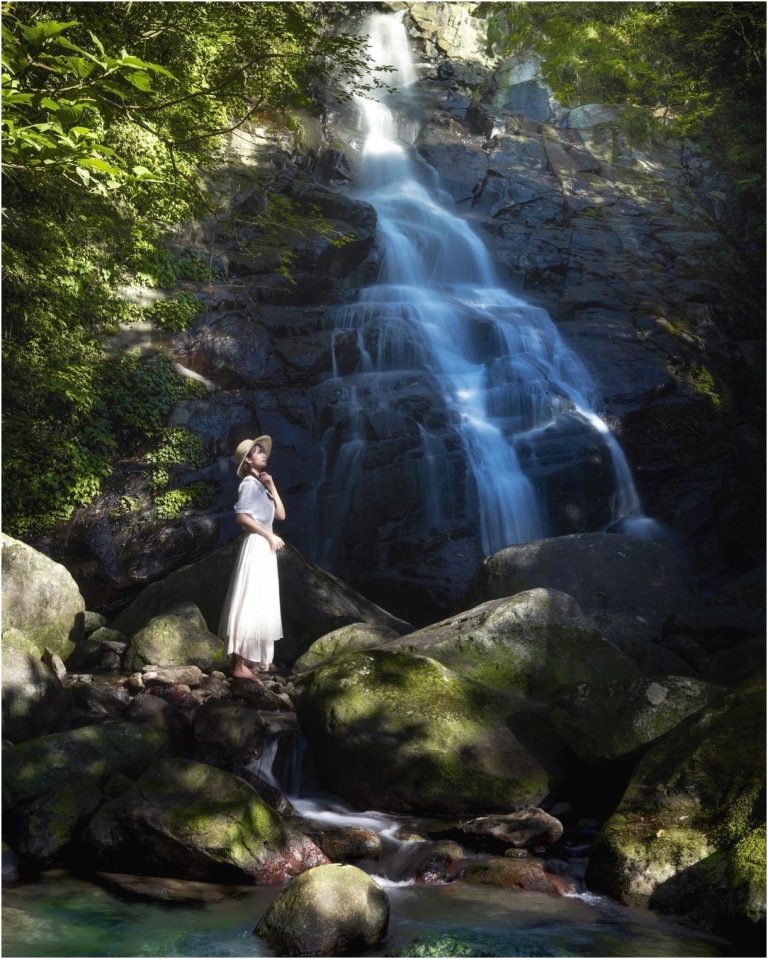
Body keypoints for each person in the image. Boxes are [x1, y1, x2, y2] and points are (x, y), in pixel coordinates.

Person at [219, 435, 286, 682]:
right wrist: (268, 535)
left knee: (260, 602)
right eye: (258, 452)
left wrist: (272, 487)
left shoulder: (260, 484)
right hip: (257, 545)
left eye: (262, 450)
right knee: (250, 600)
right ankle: (239, 665)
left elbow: (280, 515)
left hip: (264, 546)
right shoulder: (248, 483)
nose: (263, 453)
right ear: (248, 460)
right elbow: (242, 517)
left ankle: (248, 661)